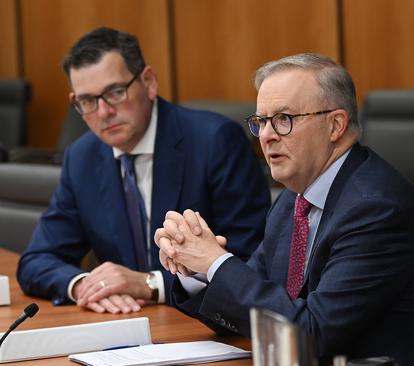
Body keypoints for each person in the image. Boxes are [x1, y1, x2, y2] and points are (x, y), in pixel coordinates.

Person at [153, 53, 414, 365]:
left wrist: (217, 262)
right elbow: (257, 308)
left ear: (335, 125)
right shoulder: (294, 199)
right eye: (260, 122)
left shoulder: (376, 210)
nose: (267, 135)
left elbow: (312, 334)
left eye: (284, 119)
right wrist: (198, 271)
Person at [16, 27, 270, 314]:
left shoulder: (215, 142)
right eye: (87, 101)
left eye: (115, 92)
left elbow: (253, 257)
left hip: (208, 324)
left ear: (149, 82)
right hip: (126, 324)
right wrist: (86, 285)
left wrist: (151, 283)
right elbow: (37, 259)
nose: (103, 112)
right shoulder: (82, 157)